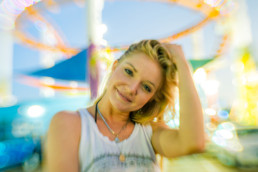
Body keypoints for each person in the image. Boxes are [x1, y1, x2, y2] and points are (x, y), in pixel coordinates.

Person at [44, 40, 205, 172]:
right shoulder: (70, 123)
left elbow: (193, 143)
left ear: (151, 98)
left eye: (146, 87)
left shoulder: (149, 133)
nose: (132, 88)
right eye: (129, 71)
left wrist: (182, 64)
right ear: (114, 67)